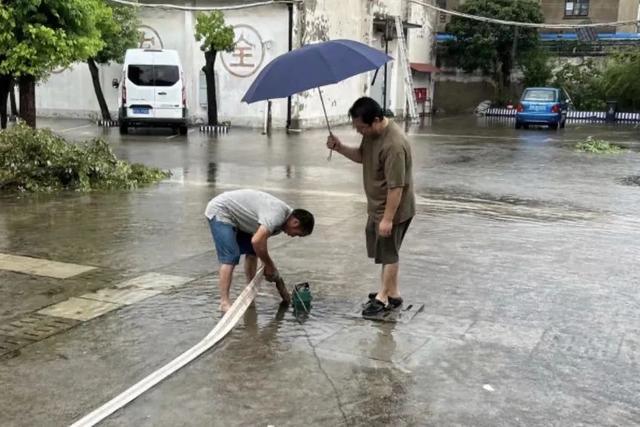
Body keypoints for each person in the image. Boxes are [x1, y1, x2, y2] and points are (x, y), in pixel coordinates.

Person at [326, 97, 415, 317]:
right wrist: (339, 148)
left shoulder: (393, 144)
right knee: (384, 251)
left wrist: (387, 219)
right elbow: (362, 156)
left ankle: (382, 298)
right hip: (377, 207)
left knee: (389, 253)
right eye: (356, 128)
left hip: (394, 209)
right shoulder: (372, 135)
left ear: (376, 120)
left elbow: (397, 187)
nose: (359, 132)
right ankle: (393, 293)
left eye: (362, 127)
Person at [204, 189, 314, 313]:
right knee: (231, 257)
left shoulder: (284, 221)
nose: (294, 236)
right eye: (298, 234)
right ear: (295, 222)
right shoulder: (277, 215)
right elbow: (257, 241)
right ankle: (224, 302)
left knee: (253, 252)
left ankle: (249, 292)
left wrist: (268, 267)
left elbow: (258, 245)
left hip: (241, 219)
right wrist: (269, 265)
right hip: (222, 211)